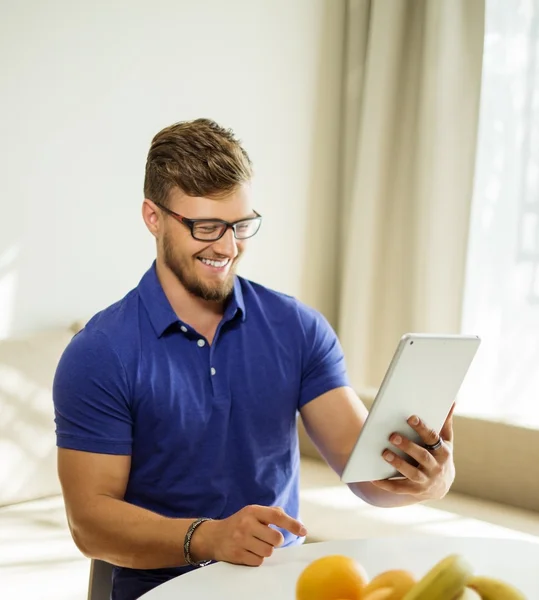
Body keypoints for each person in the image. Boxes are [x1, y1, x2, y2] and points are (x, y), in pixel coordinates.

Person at [52, 118, 456, 600]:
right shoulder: (100, 353)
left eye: (240, 226)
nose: (226, 247)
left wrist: (430, 479)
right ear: (153, 218)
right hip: (162, 590)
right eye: (205, 226)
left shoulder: (298, 328)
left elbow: (367, 477)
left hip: (278, 584)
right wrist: (210, 537)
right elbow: (90, 524)